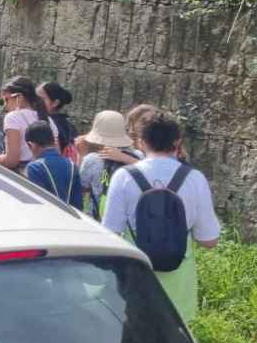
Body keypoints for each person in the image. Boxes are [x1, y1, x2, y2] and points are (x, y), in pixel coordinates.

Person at [102, 111, 220, 323]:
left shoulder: (124, 176)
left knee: (134, 342)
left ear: (141, 141)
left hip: (136, 274)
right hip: (178, 281)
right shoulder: (195, 178)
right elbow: (209, 240)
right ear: (177, 142)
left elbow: (110, 232)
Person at [77, 110, 144, 219]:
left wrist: (81, 155)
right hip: (129, 220)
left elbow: (81, 186)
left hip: (100, 219)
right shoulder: (138, 156)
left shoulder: (92, 160)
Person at [25, 121, 83, 210]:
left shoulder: (34, 167)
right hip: (69, 220)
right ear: (54, 141)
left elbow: (36, 204)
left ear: (30, 145)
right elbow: (78, 204)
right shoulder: (72, 165)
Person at [0, 75, 44, 171]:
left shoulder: (13, 117)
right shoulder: (47, 119)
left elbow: (11, 160)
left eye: (7, 99)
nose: (5, 105)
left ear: (19, 97)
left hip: (22, 175)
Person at [38, 81, 78, 157]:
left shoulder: (46, 123)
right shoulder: (69, 125)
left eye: (41, 99)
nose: (35, 102)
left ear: (55, 103)